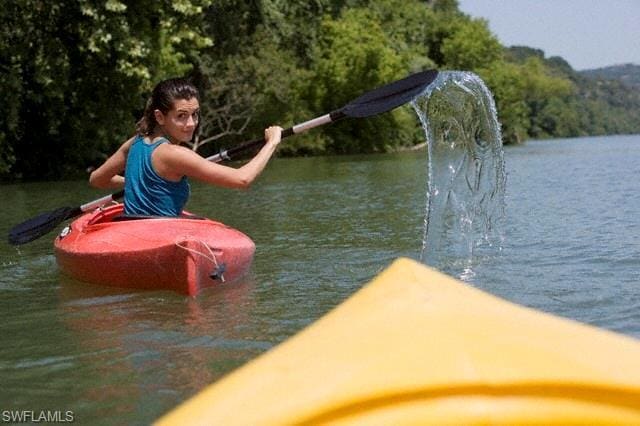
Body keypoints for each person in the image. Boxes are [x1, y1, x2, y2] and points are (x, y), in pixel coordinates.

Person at [89, 77, 282, 216]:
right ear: (160, 117)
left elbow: (97, 180)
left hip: (132, 229)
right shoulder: (176, 154)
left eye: (195, 114)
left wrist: (136, 181)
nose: (191, 123)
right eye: (181, 116)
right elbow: (242, 180)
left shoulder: (134, 143)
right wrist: (272, 142)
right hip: (161, 236)